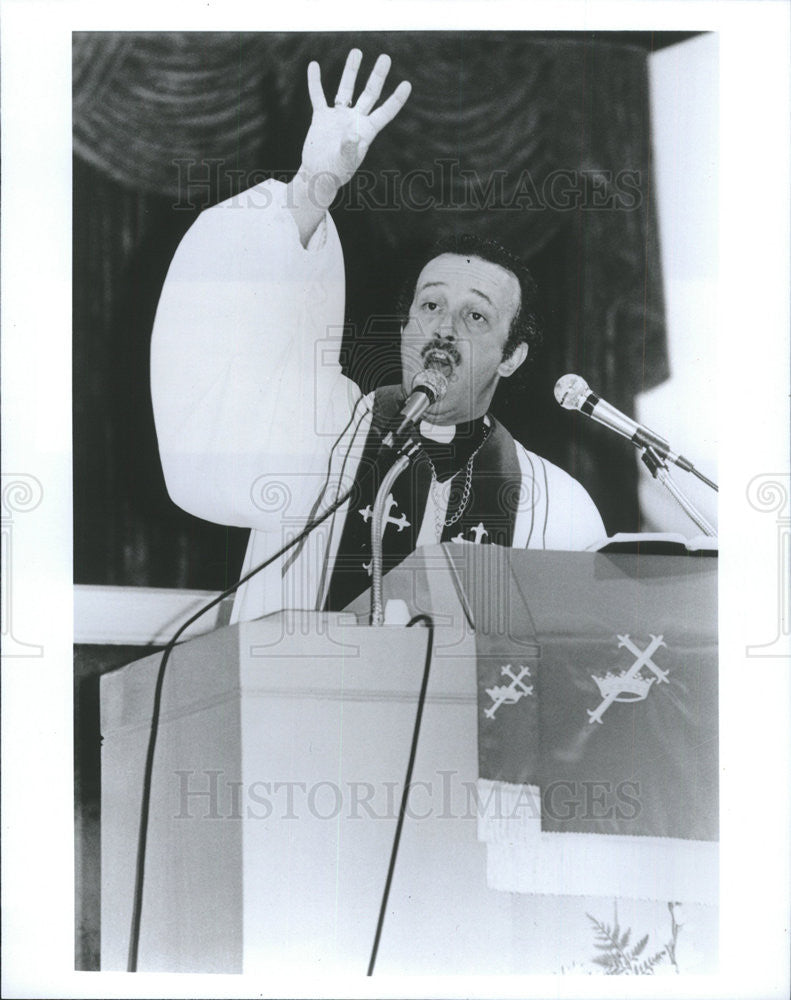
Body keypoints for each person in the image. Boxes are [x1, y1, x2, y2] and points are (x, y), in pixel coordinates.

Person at [151, 50, 606, 622]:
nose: (443, 327)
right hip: (299, 706)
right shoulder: (318, 429)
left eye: (475, 316)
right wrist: (314, 186)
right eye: (431, 304)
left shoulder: (557, 510)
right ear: (406, 325)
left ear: (512, 356)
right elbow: (232, 344)